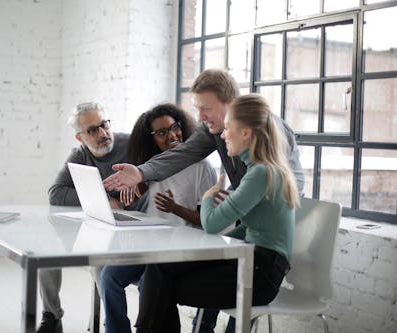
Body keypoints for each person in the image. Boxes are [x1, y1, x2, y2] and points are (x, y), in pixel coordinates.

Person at [103, 69, 305, 332]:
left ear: (231, 104)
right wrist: (141, 172)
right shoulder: (218, 132)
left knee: (167, 283)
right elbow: (183, 154)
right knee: (160, 272)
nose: (199, 117)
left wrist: (219, 199)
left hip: (264, 251)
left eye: (205, 108)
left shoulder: (267, 137)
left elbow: (277, 191)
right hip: (246, 234)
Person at [100, 103, 217, 333]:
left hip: (181, 248)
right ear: (150, 139)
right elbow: (139, 206)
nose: (172, 135)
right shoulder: (150, 167)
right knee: (108, 277)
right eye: (162, 132)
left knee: (149, 284)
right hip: (150, 245)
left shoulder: (201, 167)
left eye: (175, 127)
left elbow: (208, 221)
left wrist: (175, 209)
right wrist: (133, 196)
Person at [39, 102, 137, 333]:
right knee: (46, 253)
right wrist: (106, 201)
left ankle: (111, 323)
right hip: (100, 225)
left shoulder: (131, 144)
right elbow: (56, 193)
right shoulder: (79, 155)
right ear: (80, 137)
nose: (103, 133)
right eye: (92, 130)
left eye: (104, 125)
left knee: (99, 264)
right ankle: (52, 316)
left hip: (134, 226)